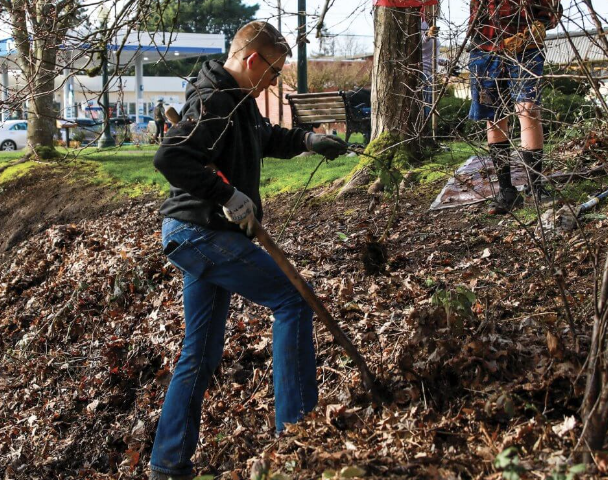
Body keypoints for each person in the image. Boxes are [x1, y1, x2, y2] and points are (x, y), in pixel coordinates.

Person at [149, 21, 348, 480]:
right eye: (274, 71)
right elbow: (169, 157)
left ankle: (167, 464)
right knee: (293, 299)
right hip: (199, 231)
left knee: (199, 353)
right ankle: (299, 442)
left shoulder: (237, 100)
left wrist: (307, 140)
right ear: (252, 60)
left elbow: (265, 138)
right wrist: (226, 194)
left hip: (205, 234)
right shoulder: (215, 101)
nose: (274, 82)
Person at [467, 0, 562, 214]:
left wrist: (541, 24)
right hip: (485, 48)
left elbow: (553, 8)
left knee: (527, 109)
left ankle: (535, 187)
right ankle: (506, 191)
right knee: (495, 116)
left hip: (525, 48)